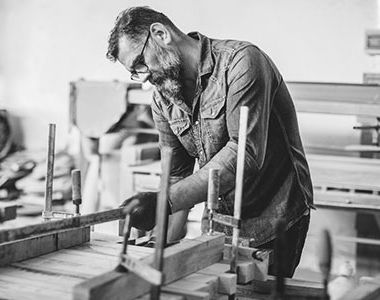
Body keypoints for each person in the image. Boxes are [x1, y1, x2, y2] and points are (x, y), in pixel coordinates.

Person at [106, 6, 313, 277]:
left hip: (274, 215)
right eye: (135, 73)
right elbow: (176, 174)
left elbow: (245, 153)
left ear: (160, 34)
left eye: (140, 64)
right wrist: (160, 242)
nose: (144, 78)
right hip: (219, 221)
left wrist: (163, 202)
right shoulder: (163, 99)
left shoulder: (242, 62)